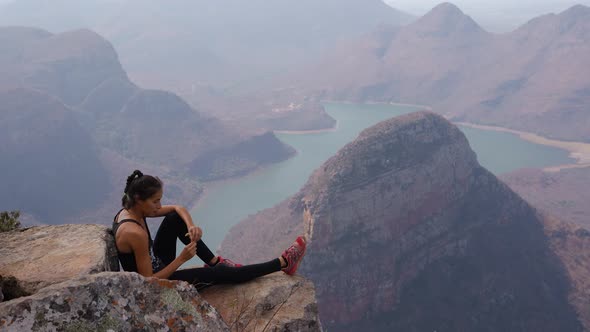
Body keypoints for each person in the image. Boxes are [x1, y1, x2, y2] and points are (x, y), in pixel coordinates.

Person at [112, 170, 306, 288]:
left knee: (173, 218)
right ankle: (283, 262)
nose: (159, 205)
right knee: (224, 275)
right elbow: (148, 282)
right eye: (155, 201)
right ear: (139, 199)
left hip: (156, 263)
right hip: (158, 280)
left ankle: (214, 261)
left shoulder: (132, 212)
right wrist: (182, 259)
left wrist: (191, 226)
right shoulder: (134, 233)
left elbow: (178, 208)